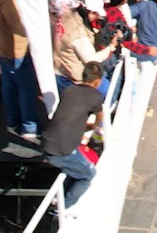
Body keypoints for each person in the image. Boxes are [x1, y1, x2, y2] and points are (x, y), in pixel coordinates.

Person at [42, 61, 106, 208]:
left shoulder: (69, 90)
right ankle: (63, 207)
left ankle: (58, 199)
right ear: (97, 82)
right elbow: (99, 116)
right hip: (62, 151)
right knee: (88, 175)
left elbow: (71, 114)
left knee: (73, 169)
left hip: (48, 142)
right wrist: (93, 126)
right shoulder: (95, 96)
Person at [0, 0, 40, 141]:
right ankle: (29, 126)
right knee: (27, 88)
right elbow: (20, 28)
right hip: (15, 51)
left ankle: (12, 119)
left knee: (9, 83)